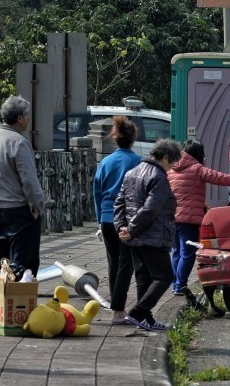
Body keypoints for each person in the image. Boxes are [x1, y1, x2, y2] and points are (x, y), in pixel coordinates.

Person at [114, 139, 182, 331]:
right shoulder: (158, 176)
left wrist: (122, 227)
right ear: (166, 157)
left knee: (144, 278)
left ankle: (146, 320)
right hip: (153, 235)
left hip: (134, 237)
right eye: (171, 164)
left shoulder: (131, 173)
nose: (171, 169)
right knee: (165, 276)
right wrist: (131, 229)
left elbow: (119, 203)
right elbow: (151, 209)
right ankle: (137, 313)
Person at [169, 140, 230, 298]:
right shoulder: (197, 169)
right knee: (187, 253)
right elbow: (218, 177)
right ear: (198, 154)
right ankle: (180, 285)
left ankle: (175, 285)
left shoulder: (172, 170)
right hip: (189, 219)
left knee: (177, 253)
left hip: (172, 218)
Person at [0, 95, 45, 278]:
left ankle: (0, 303)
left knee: (1, 262)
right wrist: (36, 206)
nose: (28, 119)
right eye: (27, 115)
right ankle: (20, 305)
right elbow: (29, 180)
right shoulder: (18, 142)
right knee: (22, 265)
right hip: (20, 210)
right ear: (19, 118)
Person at [93, 116, 141, 325]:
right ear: (133, 138)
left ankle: (116, 304)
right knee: (126, 265)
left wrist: (99, 218)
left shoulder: (105, 162)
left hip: (106, 219)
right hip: (127, 220)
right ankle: (118, 311)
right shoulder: (138, 162)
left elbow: (97, 191)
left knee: (113, 264)